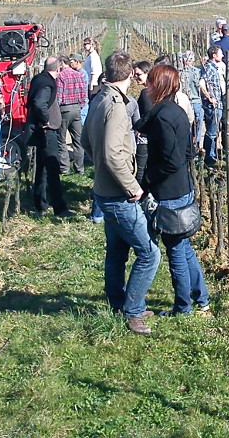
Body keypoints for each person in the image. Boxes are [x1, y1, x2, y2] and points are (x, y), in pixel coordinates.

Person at [81, 50, 160, 333]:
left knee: (116, 252)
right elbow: (115, 154)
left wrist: (100, 163)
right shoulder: (116, 106)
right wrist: (132, 186)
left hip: (104, 189)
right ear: (129, 76)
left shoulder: (99, 99)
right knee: (149, 254)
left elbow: (85, 140)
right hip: (119, 194)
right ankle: (133, 310)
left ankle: (117, 303)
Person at [137, 64, 209, 317]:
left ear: (159, 86)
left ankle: (183, 307)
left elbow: (170, 160)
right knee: (184, 246)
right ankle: (202, 298)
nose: (146, 87)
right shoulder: (177, 112)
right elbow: (188, 152)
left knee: (175, 251)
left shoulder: (164, 117)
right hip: (183, 186)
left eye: (150, 82)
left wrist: (147, 182)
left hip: (170, 192)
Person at [26, 56, 71, 217]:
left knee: (42, 169)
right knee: (52, 168)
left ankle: (40, 204)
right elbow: (39, 103)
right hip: (46, 131)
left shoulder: (39, 78)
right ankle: (60, 208)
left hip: (39, 130)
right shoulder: (47, 83)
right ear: (58, 69)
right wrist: (46, 120)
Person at [56, 53, 88, 175]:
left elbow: (59, 96)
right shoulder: (79, 74)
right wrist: (80, 106)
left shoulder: (61, 76)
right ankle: (80, 168)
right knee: (78, 141)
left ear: (62, 63)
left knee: (61, 140)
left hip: (64, 109)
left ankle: (64, 168)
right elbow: (84, 94)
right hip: (77, 109)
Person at [201, 45, 225, 167]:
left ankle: (212, 154)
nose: (223, 55)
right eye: (221, 53)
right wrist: (210, 98)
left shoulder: (212, 67)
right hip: (213, 106)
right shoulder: (209, 67)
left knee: (214, 130)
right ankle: (208, 157)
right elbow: (201, 83)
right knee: (212, 131)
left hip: (216, 104)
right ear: (214, 55)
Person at [179, 51, 206, 153]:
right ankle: (196, 145)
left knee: (187, 125)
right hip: (197, 102)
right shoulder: (198, 72)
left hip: (185, 103)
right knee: (198, 127)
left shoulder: (180, 73)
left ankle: (187, 146)